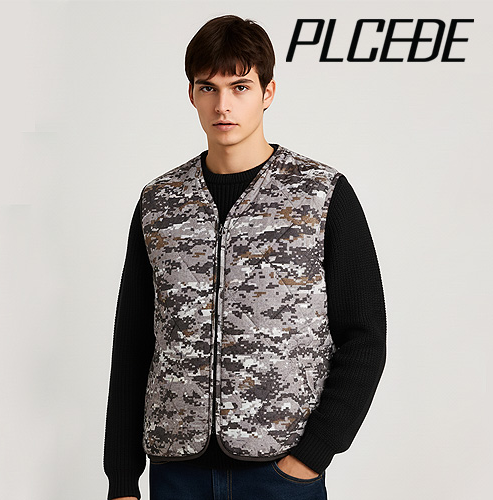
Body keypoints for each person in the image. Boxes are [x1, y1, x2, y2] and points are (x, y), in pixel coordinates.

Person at [103, 14, 386, 500]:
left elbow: (365, 336)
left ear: (267, 92)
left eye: (240, 87)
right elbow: (132, 343)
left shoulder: (321, 195)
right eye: (208, 88)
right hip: (177, 473)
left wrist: (312, 456)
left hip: (281, 472)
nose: (223, 105)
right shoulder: (159, 203)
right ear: (191, 95)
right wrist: (123, 478)